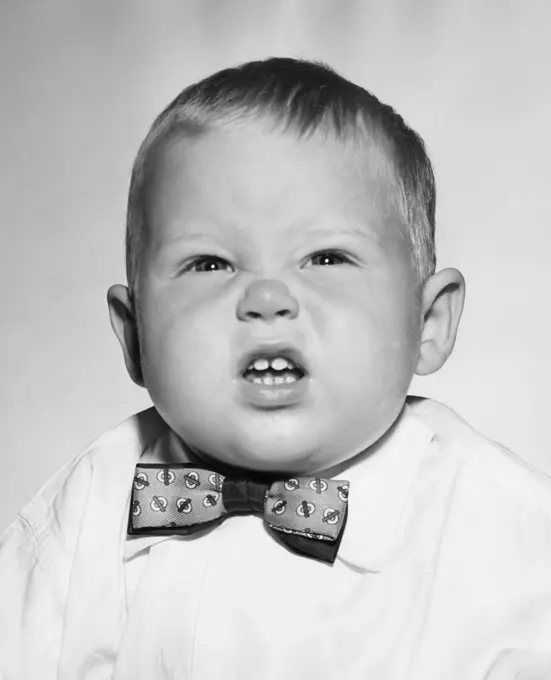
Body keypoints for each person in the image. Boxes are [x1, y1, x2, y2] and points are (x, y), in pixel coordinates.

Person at [1, 57, 551, 680]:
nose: (267, 299)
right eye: (210, 264)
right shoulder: (92, 506)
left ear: (427, 325)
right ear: (136, 336)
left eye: (325, 257)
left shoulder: (502, 531)